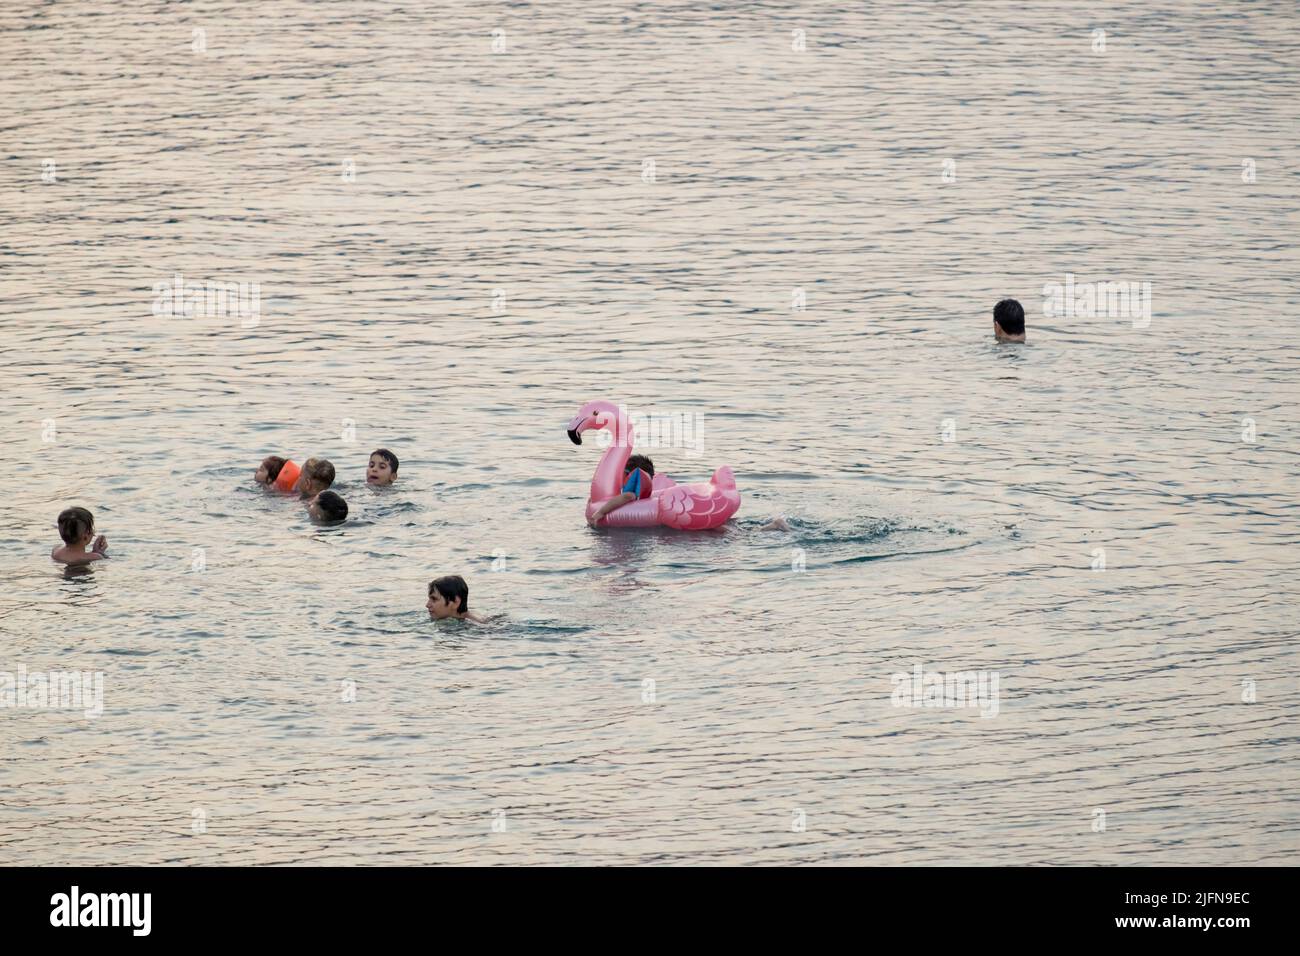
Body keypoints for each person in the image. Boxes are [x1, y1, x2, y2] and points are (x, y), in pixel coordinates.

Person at [587, 454, 655, 527]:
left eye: (622, 473)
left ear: (629, 475)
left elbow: (627, 496)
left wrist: (601, 512)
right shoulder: (642, 493)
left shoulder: (631, 494)